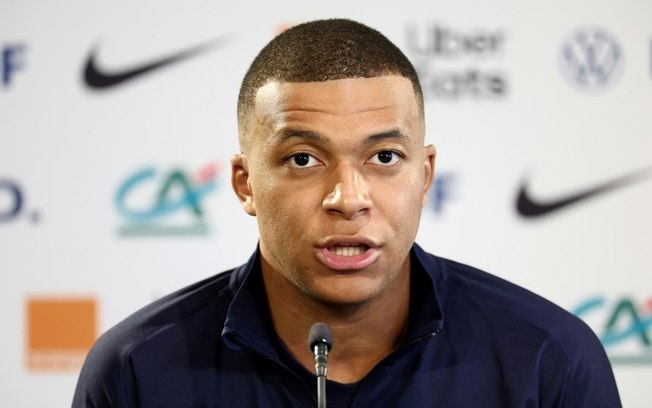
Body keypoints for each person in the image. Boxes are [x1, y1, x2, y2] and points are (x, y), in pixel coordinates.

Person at [73, 18, 621, 407]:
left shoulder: (551, 360)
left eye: (384, 157)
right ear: (246, 184)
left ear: (424, 176)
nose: (349, 197)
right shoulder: (136, 371)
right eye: (303, 158)